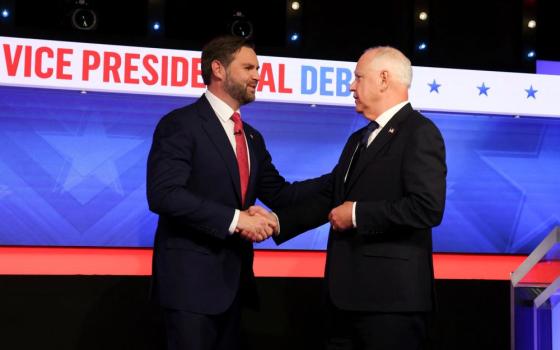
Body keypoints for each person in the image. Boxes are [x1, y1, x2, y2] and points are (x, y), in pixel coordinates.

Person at [252, 46, 447, 349]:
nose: (351, 86)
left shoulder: (420, 132)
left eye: (358, 77)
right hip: (344, 300)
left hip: (391, 304)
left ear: (384, 79)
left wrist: (357, 214)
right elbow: (333, 194)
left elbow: (427, 208)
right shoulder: (359, 138)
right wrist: (278, 222)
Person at [146, 35, 327, 350]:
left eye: (258, 68)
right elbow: (164, 194)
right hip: (189, 288)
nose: (257, 75)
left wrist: (339, 179)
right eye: (248, 67)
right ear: (218, 69)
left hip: (234, 286)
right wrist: (236, 220)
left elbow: (282, 194)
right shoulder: (181, 124)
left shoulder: (252, 137)